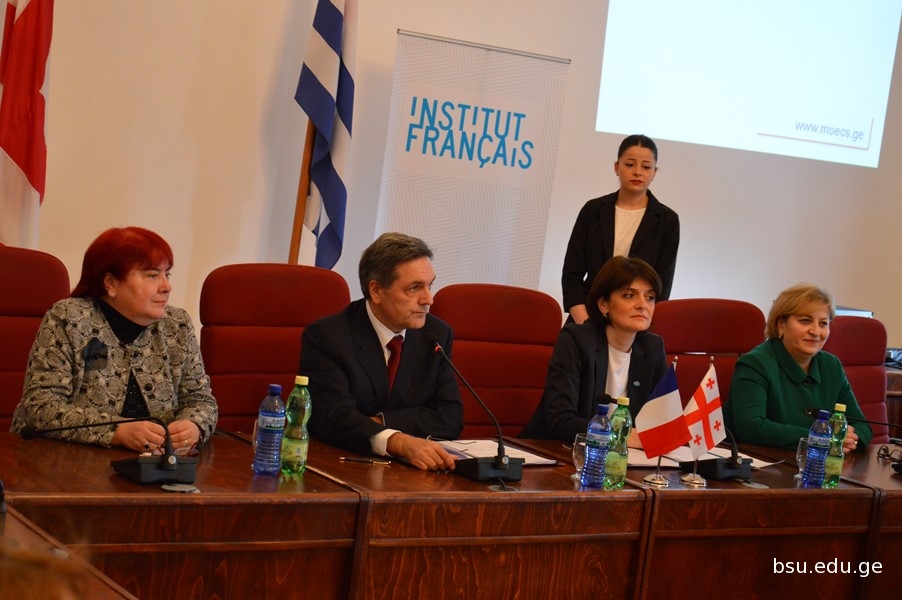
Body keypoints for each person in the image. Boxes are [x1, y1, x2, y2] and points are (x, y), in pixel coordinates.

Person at [11, 227, 218, 453]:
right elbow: (41, 408)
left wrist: (194, 425)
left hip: (154, 463)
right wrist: (116, 431)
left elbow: (200, 400)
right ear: (110, 283)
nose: (166, 287)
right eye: (152, 275)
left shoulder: (177, 324)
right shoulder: (69, 318)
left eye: (166, 275)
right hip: (63, 459)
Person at [300, 232, 463, 471]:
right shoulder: (328, 336)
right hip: (341, 466)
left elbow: (450, 417)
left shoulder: (436, 334)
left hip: (413, 471)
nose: (428, 299)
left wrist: (379, 422)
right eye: (414, 288)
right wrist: (398, 442)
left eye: (430, 285)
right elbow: (333, 416)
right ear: (376, 291)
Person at [521, 256, 667, 441]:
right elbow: (561, 421)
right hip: (556, 450)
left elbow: (662, 421)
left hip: (624, 456)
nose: (642, 305)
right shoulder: (576, 340)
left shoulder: (653, 348)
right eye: (629, 295)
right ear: (603, 304)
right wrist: (623, 438)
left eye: (650, 297)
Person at [729, 283, 872, 452]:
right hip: (767, 462)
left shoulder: (831, 365)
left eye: (823, 323)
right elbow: (751, 427)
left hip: (818, 462)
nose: (816, 331)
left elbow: (862, 426)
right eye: (805, 321)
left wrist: (849, 439)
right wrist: (820, 438)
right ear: (781, 324)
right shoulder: (755, 363)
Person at [561, 134, 679, 324]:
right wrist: (585, 324)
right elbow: (571, 274)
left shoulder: (667, 220)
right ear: (617, 167)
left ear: (654, 172)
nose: (638, 172)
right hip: (587, 316)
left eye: (646, 167)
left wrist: (639, 323)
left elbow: (661, 286)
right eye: (630, 164)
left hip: (635, 322)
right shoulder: (593, 210)